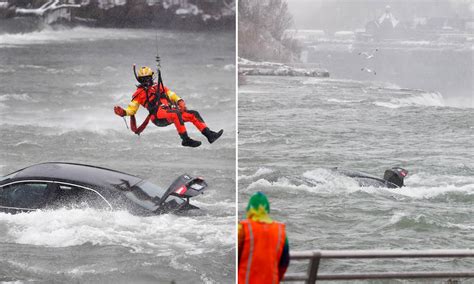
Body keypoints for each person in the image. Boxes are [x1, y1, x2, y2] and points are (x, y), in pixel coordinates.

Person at [113, 66, 223, 147]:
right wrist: (123, 112)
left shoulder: (160, 86)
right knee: (175, 114)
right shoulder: (138, 94)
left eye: (148, 78)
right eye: (143, 79)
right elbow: (132, 109)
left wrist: (180, 101)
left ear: (152, 77)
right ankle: (185, 139)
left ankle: (209, 135)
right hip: (157, 117)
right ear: (139, 80)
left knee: (193, 114)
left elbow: (171, 94)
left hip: (169, 111)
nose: (146, 81)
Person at [238, 192, 290, 284]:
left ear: (249, 209)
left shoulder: (243, 228)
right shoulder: (280, 231)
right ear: (267, 209)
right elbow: (284, 263)